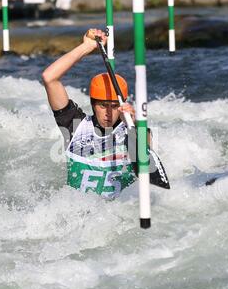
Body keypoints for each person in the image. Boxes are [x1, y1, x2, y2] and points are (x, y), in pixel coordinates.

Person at [42, 28, 167, 199]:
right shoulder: (74, 125)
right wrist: (86, 47)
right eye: (102, 106)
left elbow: (147, 150)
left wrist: (136, 121)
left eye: (114, 106)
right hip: (80, 214)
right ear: (93, 104)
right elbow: (49, 78)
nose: (108, 112)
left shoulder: (131, 130)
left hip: (119, 216)